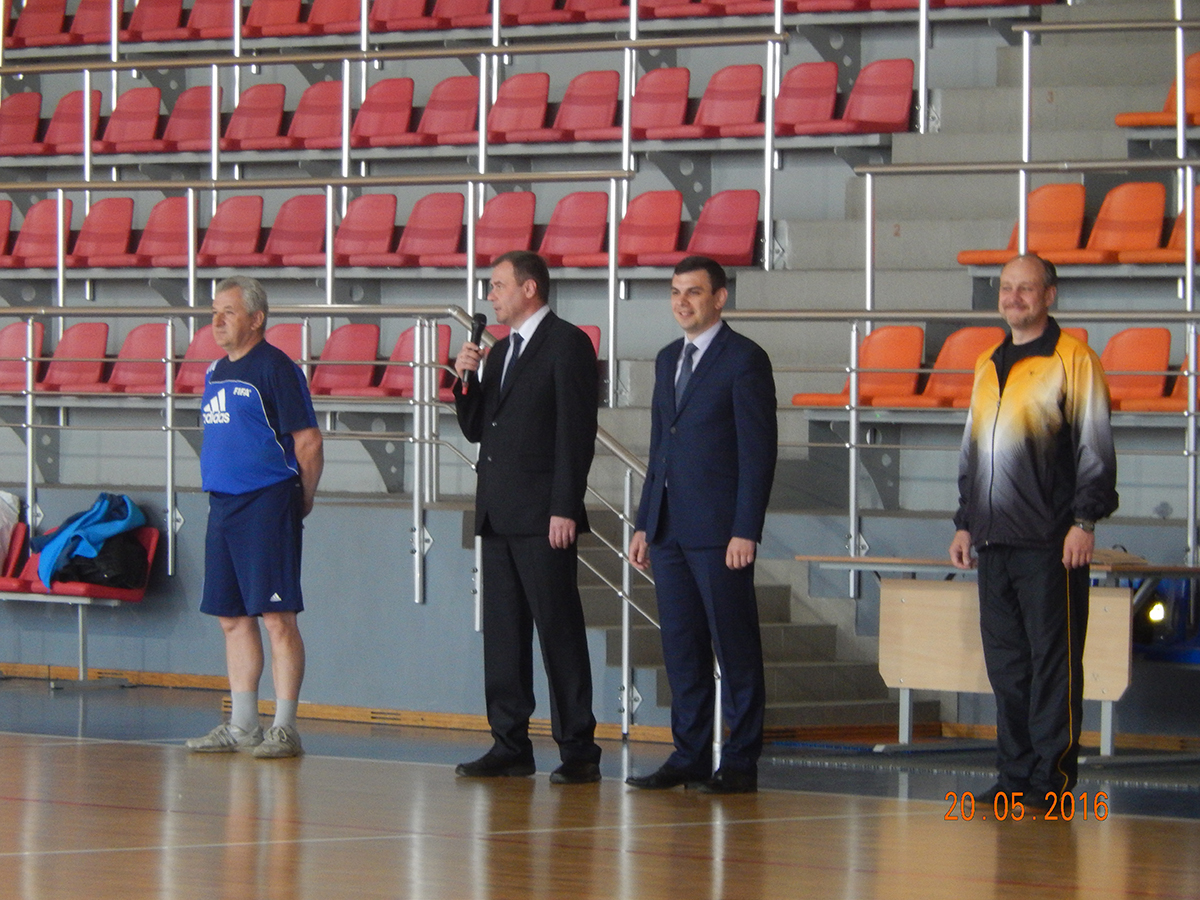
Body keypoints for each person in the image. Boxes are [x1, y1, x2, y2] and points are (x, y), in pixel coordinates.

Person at [949, 253, 1118, 808]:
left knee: (1054, 665)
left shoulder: (1075, 360)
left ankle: (1053, 782)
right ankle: (1015, 777)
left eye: (1025, 288)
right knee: (1007, 668)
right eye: (1007, 288)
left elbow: (1096, 449)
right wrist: (964, 523)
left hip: (1050, 543)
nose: (1013, 297)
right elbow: (973, 451)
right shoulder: (987, 362)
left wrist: (1084, 522)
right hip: (993, 540)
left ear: (1050, 295)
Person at [626, 256, 778, 794]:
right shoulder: (668, 358)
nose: (682, 302)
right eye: (675, 292)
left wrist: (746, 529)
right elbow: (660, 448)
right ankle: (689, 754)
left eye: (693, 291)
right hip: (668, 531)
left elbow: (758, 453)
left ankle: (739, 760)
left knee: (734, 648)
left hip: (720, 533)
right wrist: (644, 522)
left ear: (720, 297)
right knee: (682, 649)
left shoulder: (745, 359)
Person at [452, 250, 603, 784]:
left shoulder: (567, 344)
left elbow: (575, 434)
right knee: (504, 636)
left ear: (530, 288)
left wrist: (565, 506)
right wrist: (465, 380)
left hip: (543, 516)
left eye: (498, 285)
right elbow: (478, 430)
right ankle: (509, 743)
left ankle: (578, 748)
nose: (490, 296)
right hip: (498, 512)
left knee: (558, 632)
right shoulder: (499, 353)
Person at [186, 276, 324, 759]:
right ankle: (243, 723)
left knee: (276, 617)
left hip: (267, 502)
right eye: (214, 312)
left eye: (228, 311)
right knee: (231, 617)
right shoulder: (214, 372)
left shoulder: (276, 369)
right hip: (222, 504)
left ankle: (284, 727)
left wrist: (301, 497)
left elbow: (308, 442)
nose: (217, 320)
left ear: (256, 318)